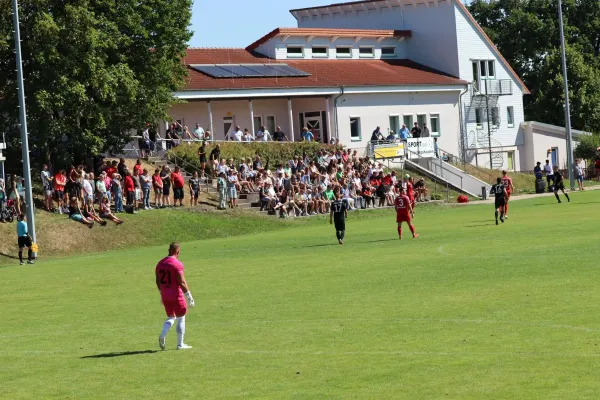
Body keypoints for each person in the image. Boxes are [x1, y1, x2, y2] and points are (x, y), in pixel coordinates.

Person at [156, 242, 195, 351]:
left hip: (165, 295)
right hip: (176, 295)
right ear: (177, 252)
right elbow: (182, 282)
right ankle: (180, 344)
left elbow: (157, 281)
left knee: (171, 317)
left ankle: (163, 334)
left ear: (168, 250)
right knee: (181, 318)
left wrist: (161, 293)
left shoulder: (160, 263)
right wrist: (189, 297)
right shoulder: (177, 264)